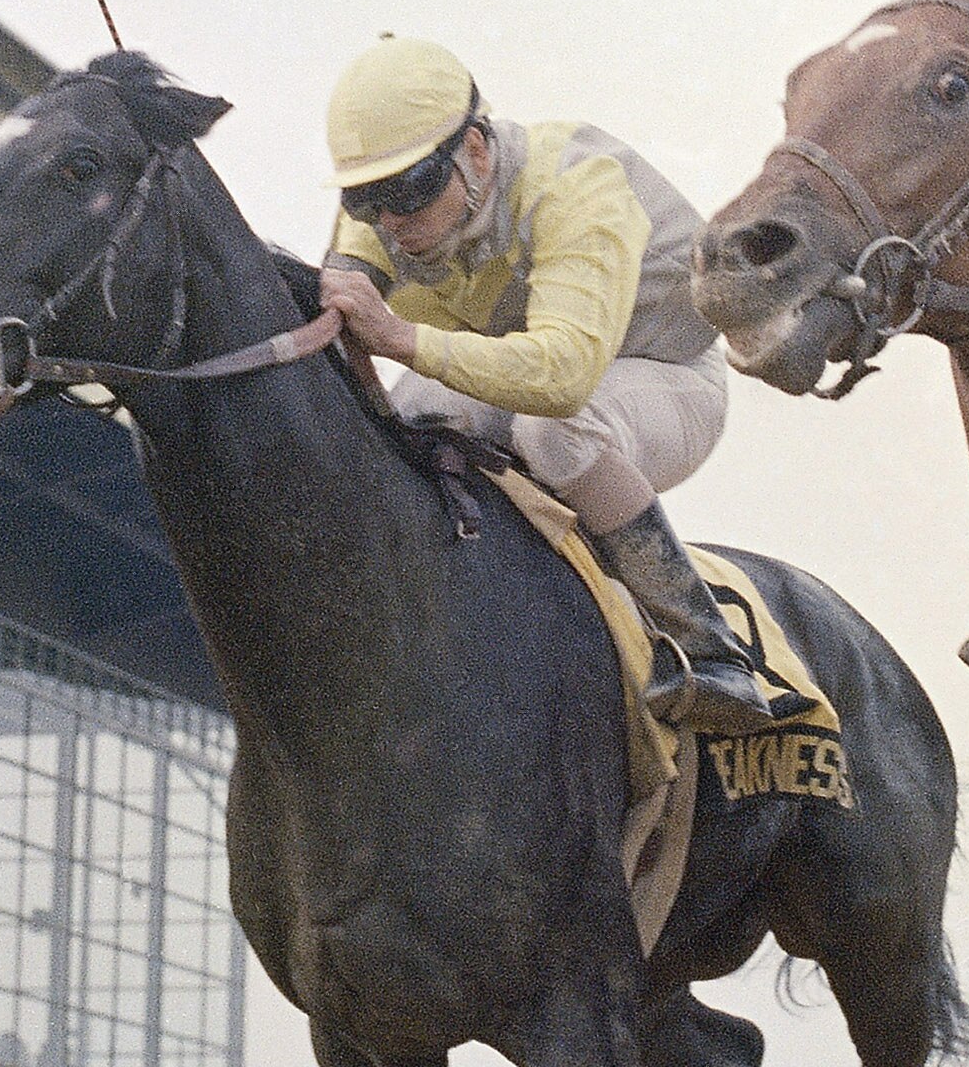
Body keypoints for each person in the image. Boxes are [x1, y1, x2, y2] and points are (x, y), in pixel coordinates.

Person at [317, 36, 806, 736]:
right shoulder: (388, 210)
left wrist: (399, 337)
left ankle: (707, 647)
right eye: (368, 199)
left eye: (410, 191)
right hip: (528, 376)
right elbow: (343, 291)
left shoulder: (577, 185)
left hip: (665, 375)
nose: (393, 221)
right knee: (410, 412)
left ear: (477, 151)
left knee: (555, 432)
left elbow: (562, 377)